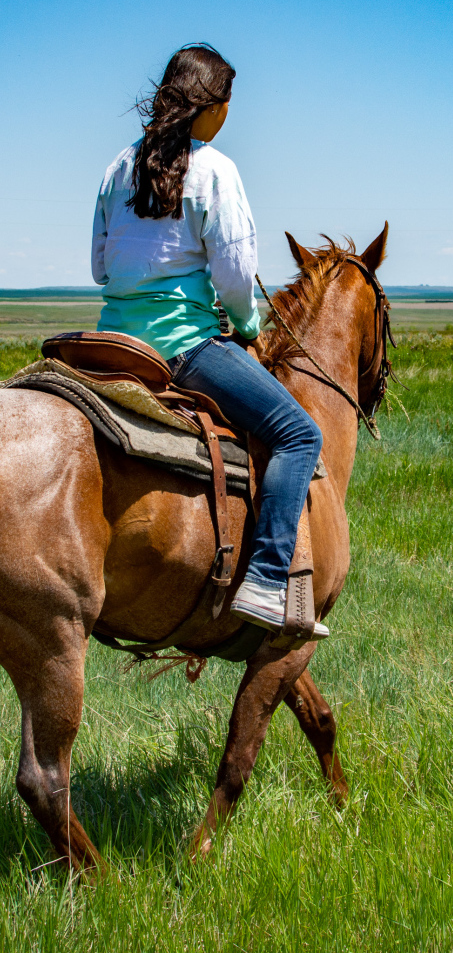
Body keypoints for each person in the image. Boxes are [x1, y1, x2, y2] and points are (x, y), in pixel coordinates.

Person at [91, 44, 328, 638]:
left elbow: (99, 267)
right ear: (214, 107)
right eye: (228, 104)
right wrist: (246, 326)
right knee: (299, 434)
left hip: (110, 343)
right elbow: (235, 276)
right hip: (181, 349)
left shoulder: (117, 167)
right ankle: (268, 583)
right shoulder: (216, 170)